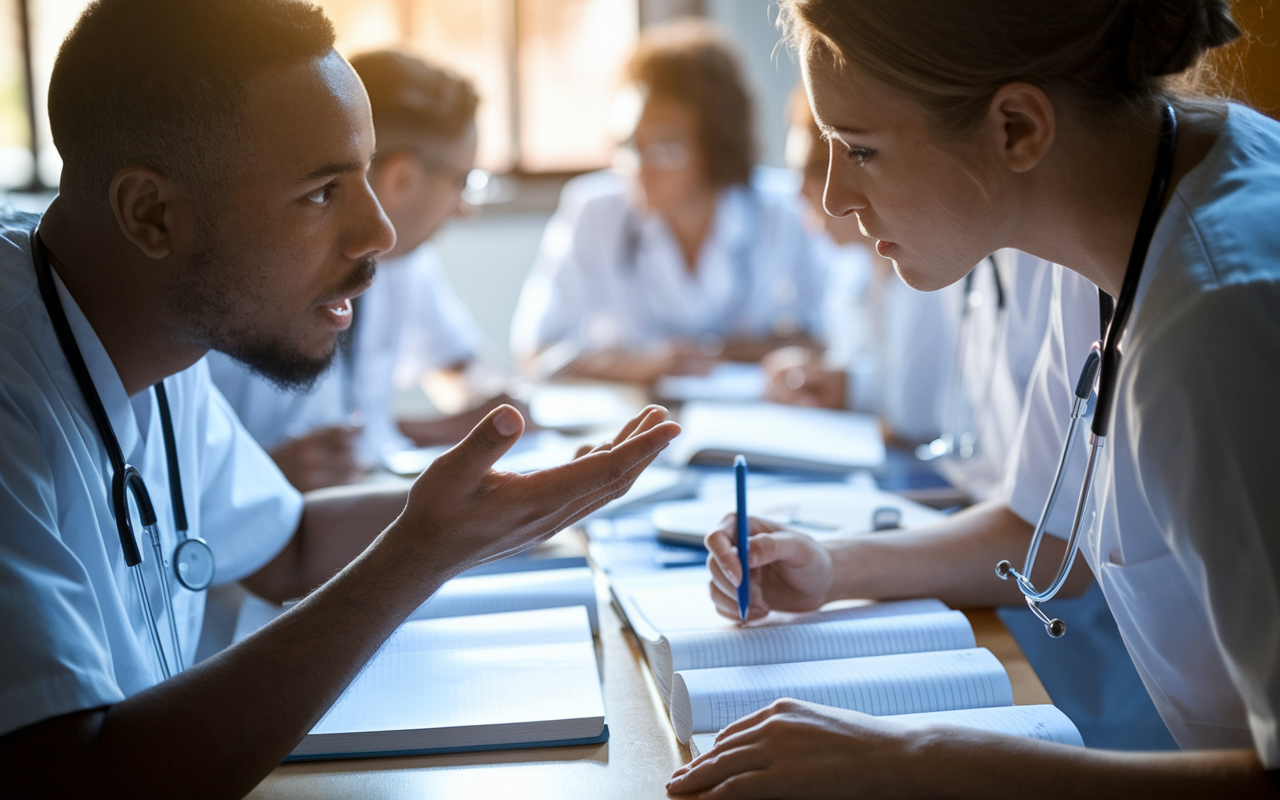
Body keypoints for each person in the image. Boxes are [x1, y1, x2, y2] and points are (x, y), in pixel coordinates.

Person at [0, 2, 679, 796]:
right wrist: (418, 554)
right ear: (153, 214)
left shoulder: (164, 331)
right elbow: (74, 775)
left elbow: (284, 545)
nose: (380, 233)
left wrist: (475, 511)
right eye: (323, 192)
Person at [669, 0, 1280, 796]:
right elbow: (1045, 530)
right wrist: (835, 567)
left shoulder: (1219, 320)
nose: (832, 198)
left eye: (860, 149)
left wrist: (914, 761)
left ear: (1017, 129)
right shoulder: (1099, 221)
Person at [207, 50, 515, 492]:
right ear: (402, 178)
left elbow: (457, 364)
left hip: (354, 502)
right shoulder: (246, 276)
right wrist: (263, 475)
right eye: (462, 182)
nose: (465, 210)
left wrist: (481, 411)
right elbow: (177, 470)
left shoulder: (407, 259)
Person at [766, 86, 1051, 495]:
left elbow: (913, 415)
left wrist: (848, 385)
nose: (821, 195)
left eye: (859, 154)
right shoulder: (855, 274)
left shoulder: (933, 268)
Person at [509, 19, 827, 385]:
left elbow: (825, 341)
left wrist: (714, 353)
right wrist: (635, 366)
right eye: (630, 146)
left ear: (715, 145)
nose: (639, 169)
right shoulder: (594, 210)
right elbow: (535, 351)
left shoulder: (783, 210)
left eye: (664, 148)